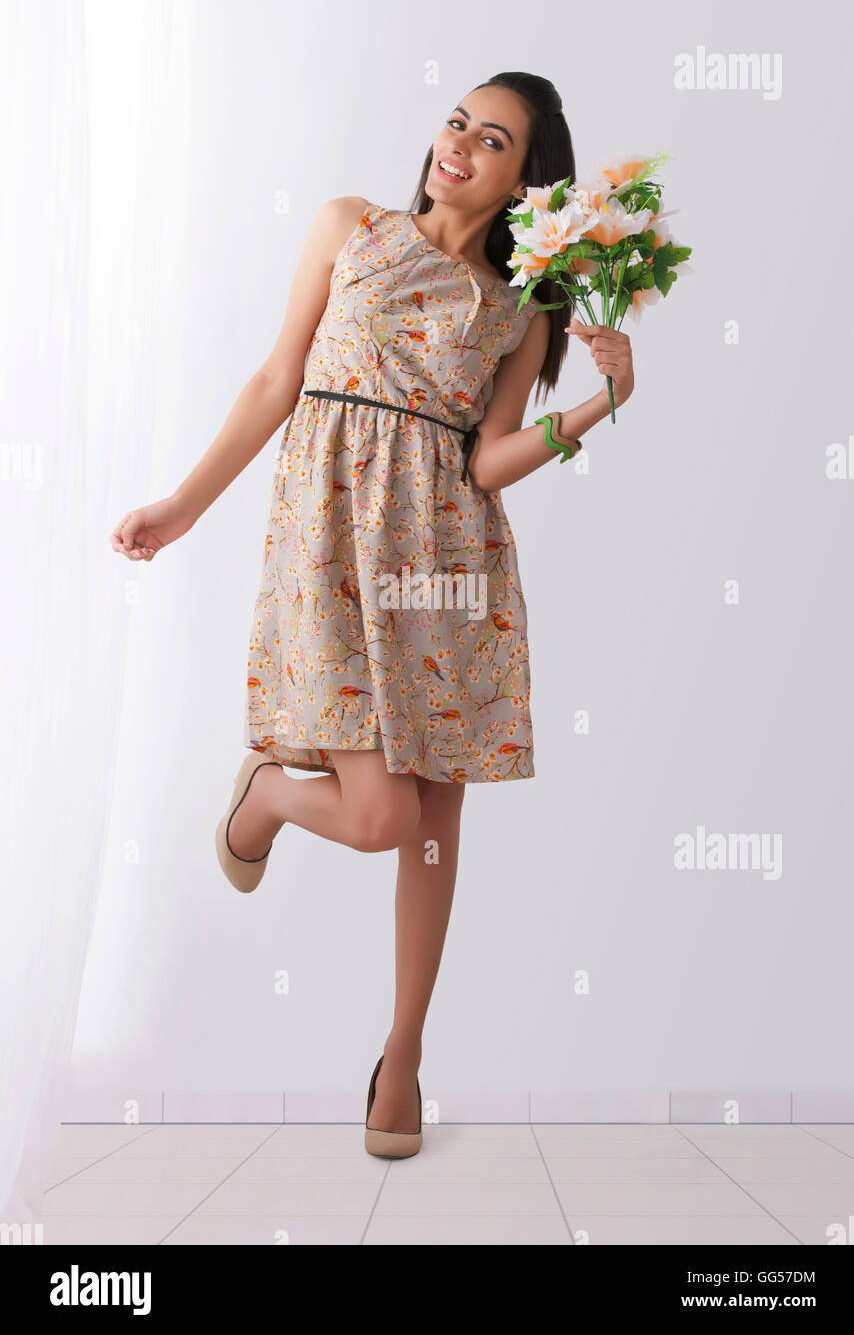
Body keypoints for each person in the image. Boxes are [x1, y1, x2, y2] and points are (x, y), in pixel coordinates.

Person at [109, 71, 634, 1158]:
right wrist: (182, 505)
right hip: (330, 541)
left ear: (526, 180)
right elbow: (273, 380)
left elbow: (488, 461)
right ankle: (262, 790)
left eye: (491, 141)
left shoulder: (519, 312)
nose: (458, 146)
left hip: (444, 561)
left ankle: (403, 1055)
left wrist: (599, 404)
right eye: (456, 122)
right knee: (377, 814)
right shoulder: (349, 225)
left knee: (431, 824)